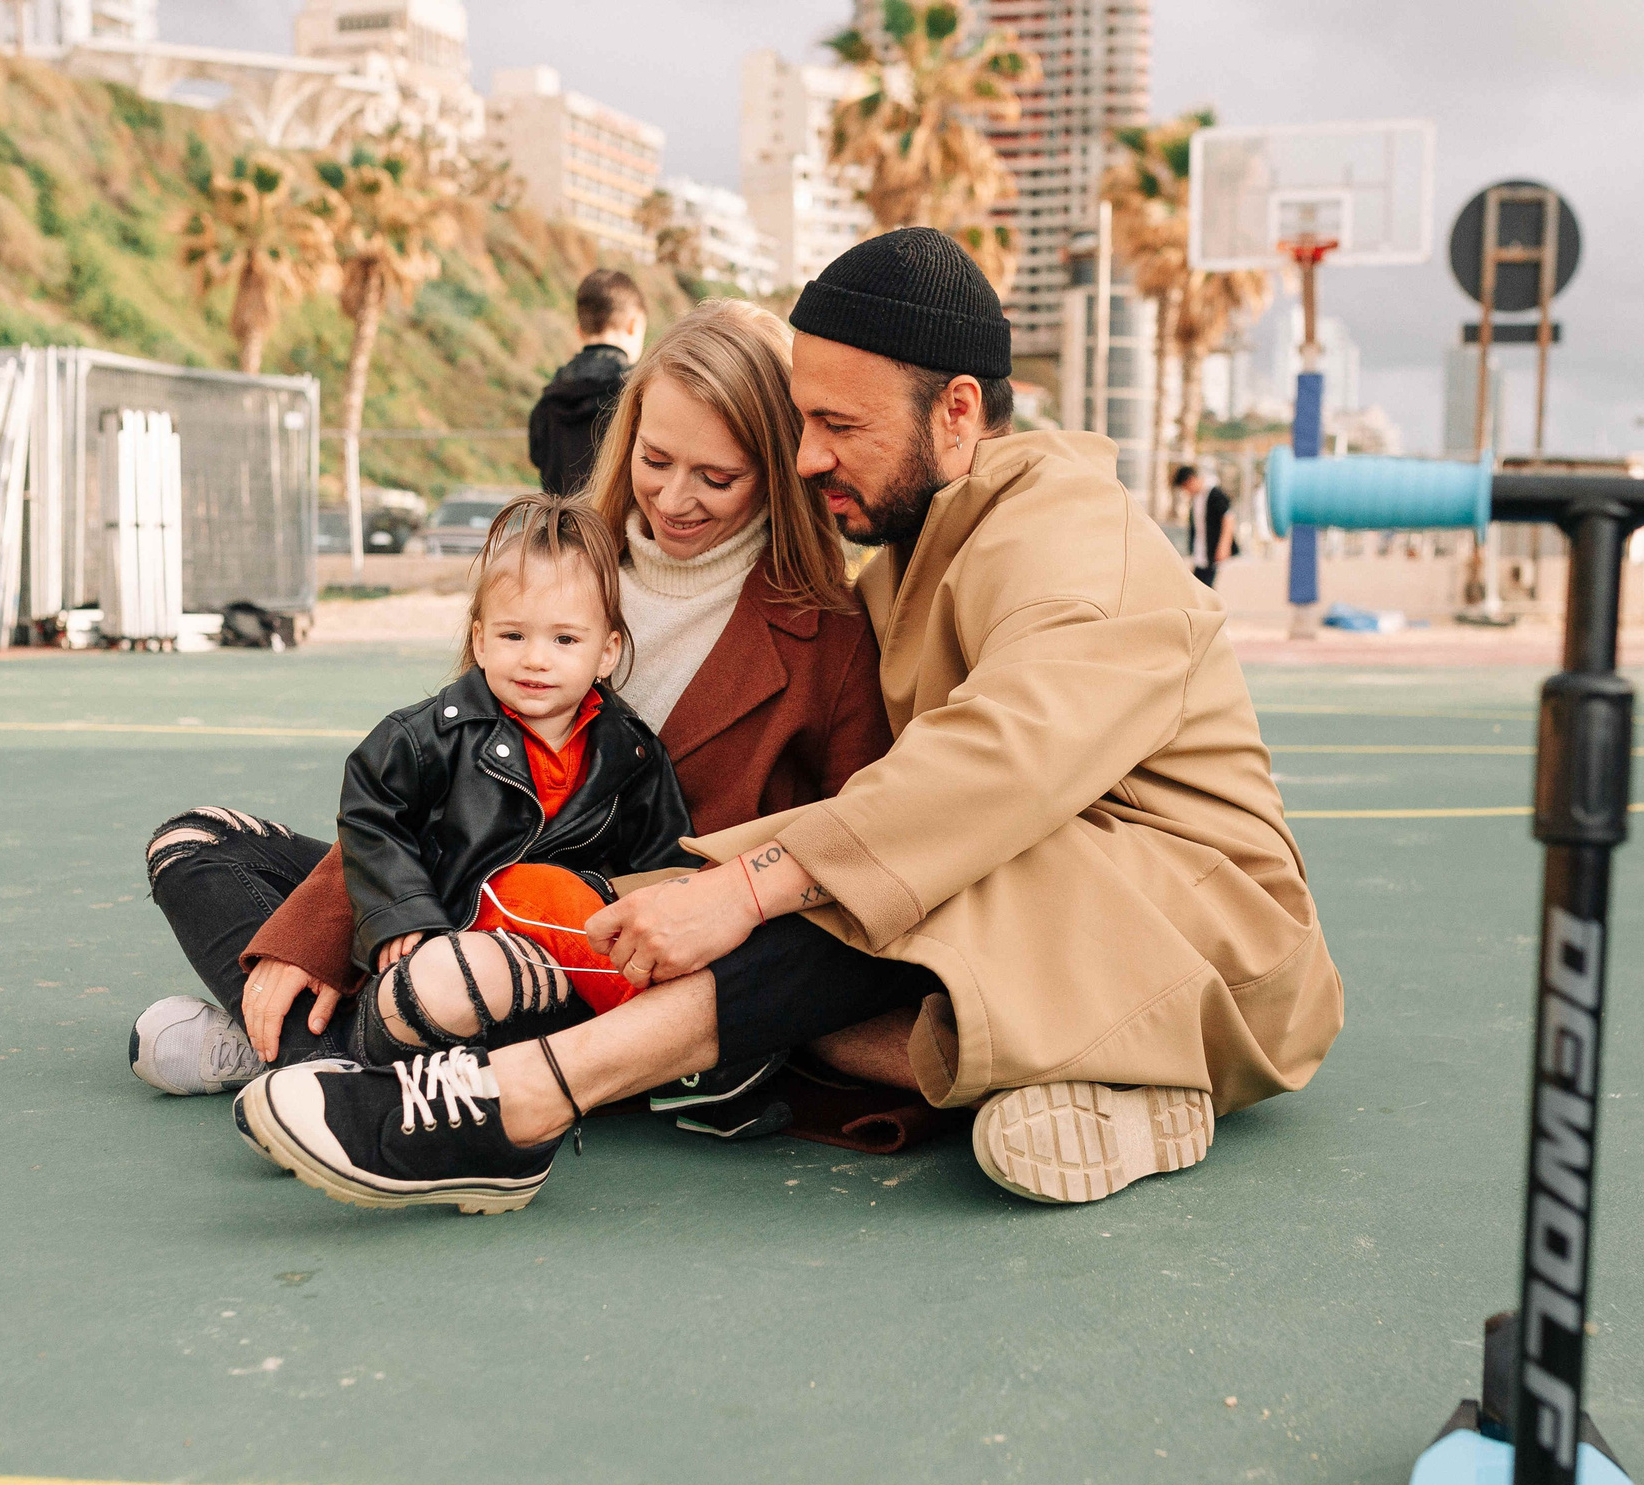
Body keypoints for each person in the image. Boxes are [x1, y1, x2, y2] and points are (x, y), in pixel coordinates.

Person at [238, 227, 1344, 1212]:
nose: (806, 456)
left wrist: (748, 886)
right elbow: (455, 757)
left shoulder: (1076, 545)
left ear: (956, 412)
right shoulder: (914, 557)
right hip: (1038, 932)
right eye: (800, 423)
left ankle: (516, 1102)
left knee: (865, 873)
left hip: (1199, 938)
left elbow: (992, 770)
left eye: (836, 425)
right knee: (695, 903)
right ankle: (1096, 1084)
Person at [132, 301, 889, 1106]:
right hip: (454, 891)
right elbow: (430, 772)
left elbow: (851, 851)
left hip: (596, 947)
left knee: (451, 981)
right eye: (655, 458)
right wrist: (316, 942)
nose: (673, 499)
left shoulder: (829, 637)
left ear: (776, 467)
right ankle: (331, 1058)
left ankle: (308, 1057)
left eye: (717, 477)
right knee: (196, 844)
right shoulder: (565, 559)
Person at [529, 270, 647, 496]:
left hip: (559, 528)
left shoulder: (547, 401)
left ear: (580, 331)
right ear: (633, 325)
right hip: (612, 530)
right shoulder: (638, 395)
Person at [1172, 463, 1235, 587]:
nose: (1186, 492)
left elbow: (1228, 518)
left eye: (1185, 487)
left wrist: (1224, 545)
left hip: (1212, 551)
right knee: (1199, 587)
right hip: (1200, 552)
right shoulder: (1196, 498)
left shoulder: (1214, 493)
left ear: (1190, 480)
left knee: (1205, 588)